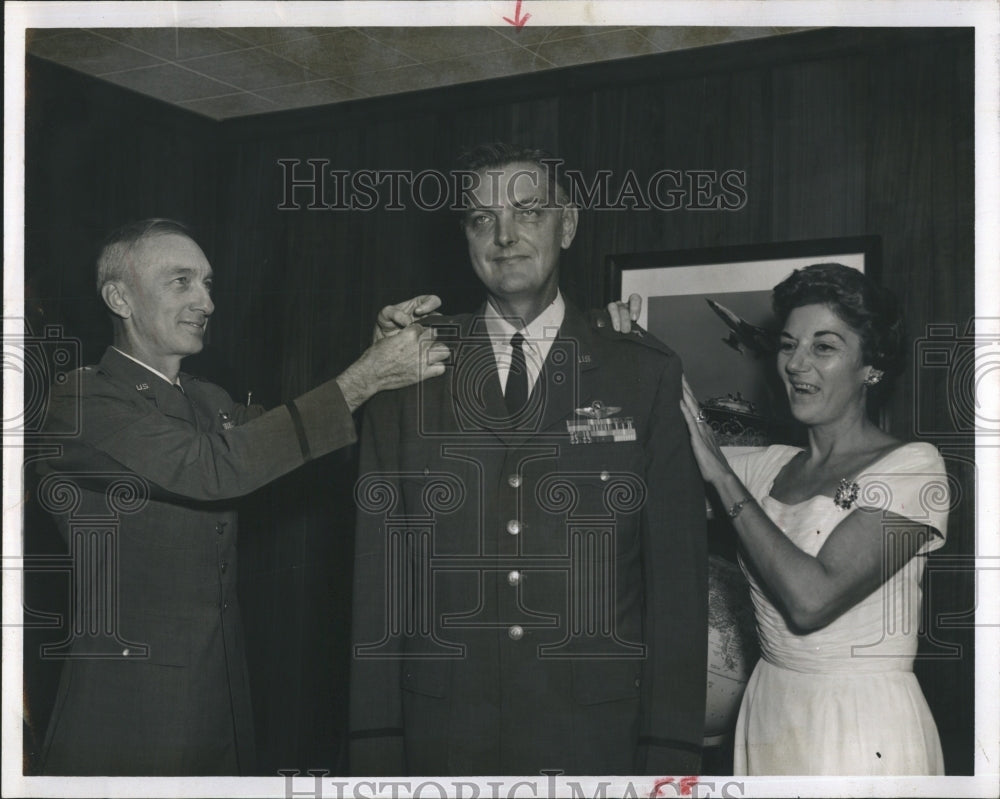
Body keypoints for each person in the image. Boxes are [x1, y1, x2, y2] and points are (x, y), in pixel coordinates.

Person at [34, 218, 450, 776]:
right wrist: (363, 378)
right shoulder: (82, 402)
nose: (206, 301)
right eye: (181, 282)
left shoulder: (208, 400)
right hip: (128, 708)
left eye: (208, 283)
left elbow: (294, 451)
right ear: (119, 298)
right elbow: (212, 468)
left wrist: (378, 359)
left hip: (221, 696)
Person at [348, 143, 707, 776]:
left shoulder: (639, 372)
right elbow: (380, 580)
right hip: (444, 734)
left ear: (567, 226)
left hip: (595, 737)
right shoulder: (407, 373)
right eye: (482, 218)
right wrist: (376, 749)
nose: (505, 236)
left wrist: (669, 760)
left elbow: (675, 586)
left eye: (529, 212)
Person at [609, 263, 949, 775]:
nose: (796, 363)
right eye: (788, 345)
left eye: (824, 347)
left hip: (860, 724)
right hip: (769, 711)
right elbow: (630, 465)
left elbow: (812, 601)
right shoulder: (766, 466)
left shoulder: (915, 468)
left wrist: (722, 476)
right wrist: (620, 354)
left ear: (872, 366)